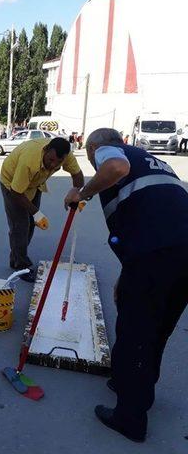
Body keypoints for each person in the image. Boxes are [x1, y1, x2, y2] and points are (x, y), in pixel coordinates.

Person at [64, 128, 188, 443]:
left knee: (136, 331)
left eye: (91, 157)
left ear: (93, 148)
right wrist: (127, 272)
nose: (94, 162)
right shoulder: (154, 162)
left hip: (156, 255)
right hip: (175, 255)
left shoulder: (111, 151)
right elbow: (153, 215)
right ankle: (133, 387)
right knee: (158, 328)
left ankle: (130, 418)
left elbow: (115, 168)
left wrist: (83, 192)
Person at [0, 137, 84, 282]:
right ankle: (21, 266)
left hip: (35, 183)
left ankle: (17, 256)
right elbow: (16, 192)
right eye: (51, 160)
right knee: (20, 225)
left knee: (31, 223)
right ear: (46, 150)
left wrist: (78, 194)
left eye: (58, 162)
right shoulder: (29, 161)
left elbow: (77, 175)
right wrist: (37, 213)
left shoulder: (65, 154)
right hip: (12, 184)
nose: (53, 165)